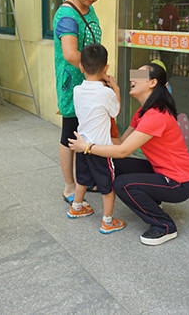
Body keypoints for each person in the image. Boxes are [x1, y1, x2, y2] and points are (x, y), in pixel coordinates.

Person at [69, 63, 189, 246]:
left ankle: (164, 226)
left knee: (123, 184)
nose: (132, 78)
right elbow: (120, 142)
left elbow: (122, 151)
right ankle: (152, 198)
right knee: (112, 165)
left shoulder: (156, 116)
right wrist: (91, 134)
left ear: (152, 83)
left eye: (139, 75)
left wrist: (87, 147)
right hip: (160, 171)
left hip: (178, 183)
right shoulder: (142, 112)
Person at [53, 0, 109, 203]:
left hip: (92, 81)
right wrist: (98, 73)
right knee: (70, 133)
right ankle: (69, 185)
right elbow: (70, 53)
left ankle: (87, 179)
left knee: (89, 131)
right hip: (75, 83)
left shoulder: (89, 7)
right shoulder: (67, 14)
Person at [66, 44, 125, 234]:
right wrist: (115, 87)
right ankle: (107, 220)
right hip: (99, 149)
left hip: (81, 144)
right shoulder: (106, 93)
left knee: (82, 179)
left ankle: (76, 207)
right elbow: (115, 111)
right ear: (106, 68)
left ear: (81, 67)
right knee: (107, 185)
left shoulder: (77, 90)